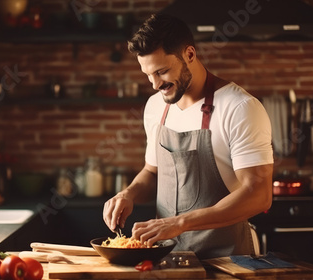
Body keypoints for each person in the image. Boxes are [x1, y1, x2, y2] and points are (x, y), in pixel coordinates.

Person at [103, 13, 274, 259]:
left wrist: (180, 223)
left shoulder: (239, 107)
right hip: (167, 260)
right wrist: (127, 194)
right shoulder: (156, 107)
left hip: (227, 260)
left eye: (161, 71)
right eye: (148, 74)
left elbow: (259, 194)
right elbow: (152, 172)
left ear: (190, 55)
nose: (154, 84)